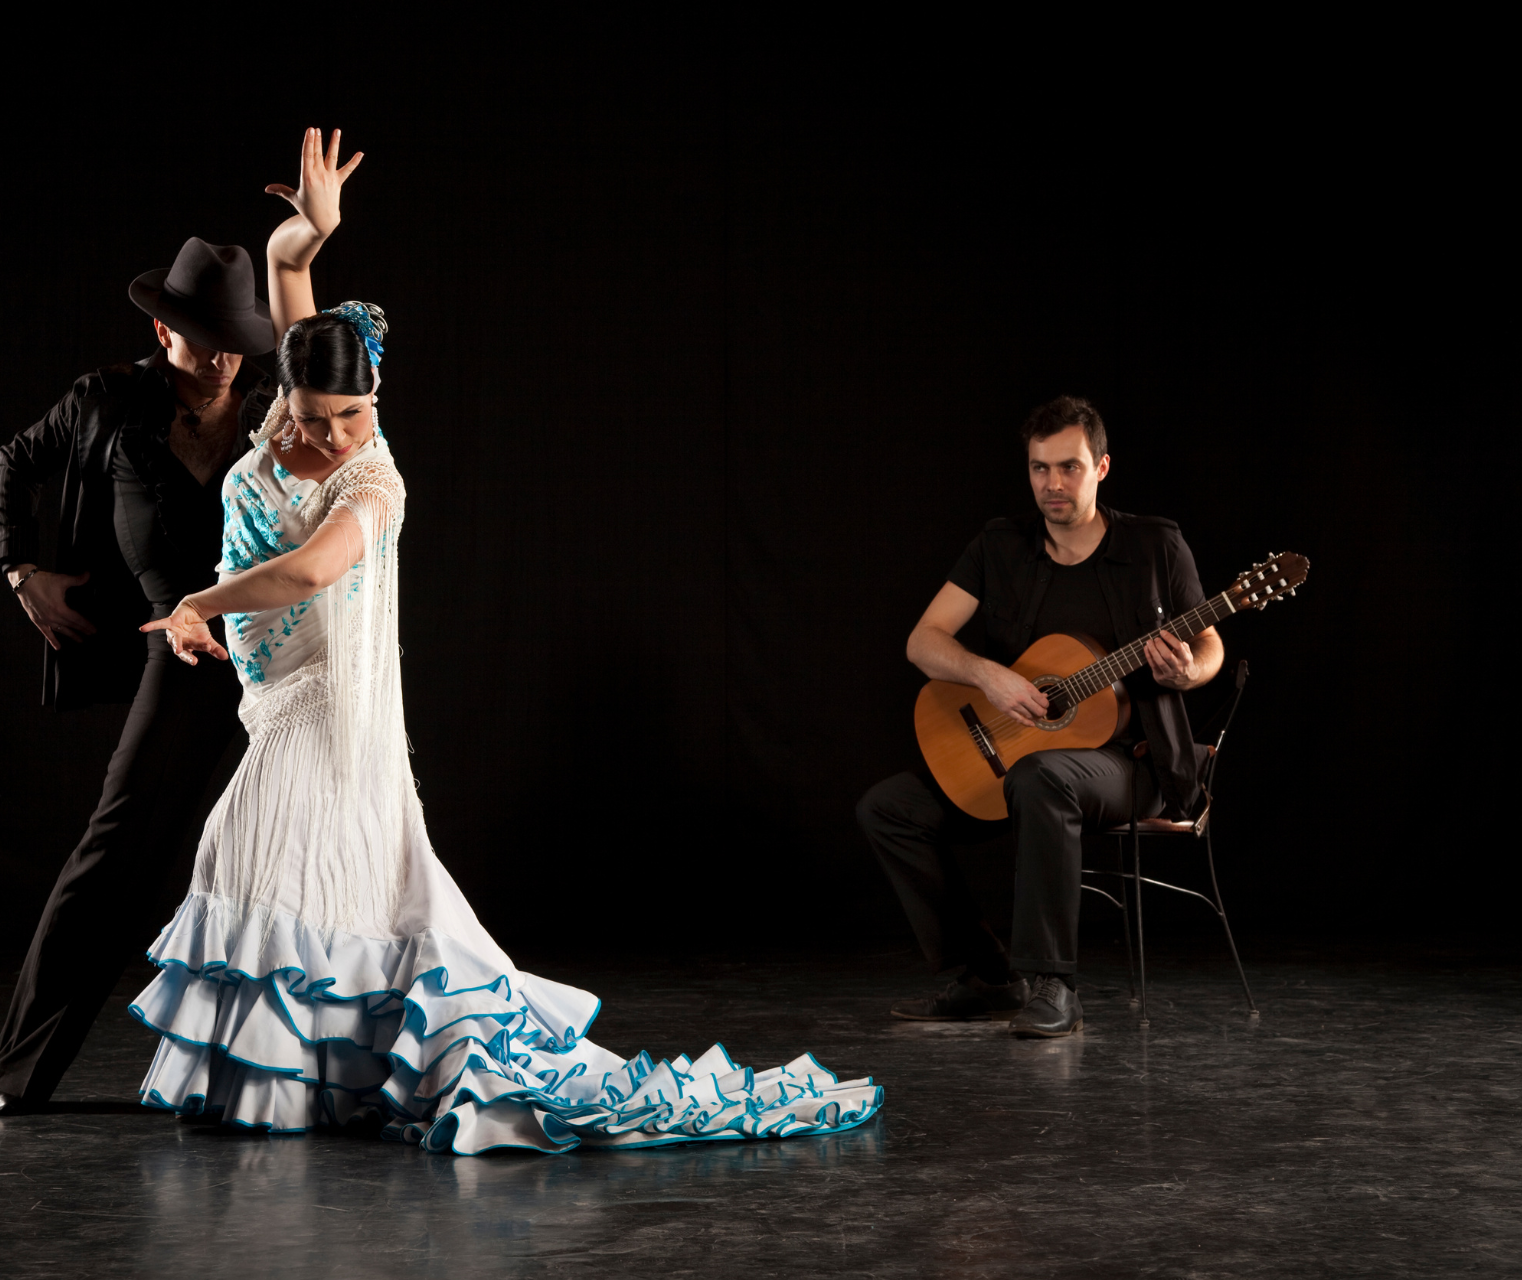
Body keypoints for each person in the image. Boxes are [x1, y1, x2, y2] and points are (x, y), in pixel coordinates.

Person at [128, 128, 883, 1153]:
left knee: (251, 855)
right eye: (315, 414)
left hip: (327, 712)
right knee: (302, 884)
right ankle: (305, 1083)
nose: (334, 433)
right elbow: (288, 268)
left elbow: (307, 573)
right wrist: (308, 229)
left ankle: (288, 1087)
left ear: (375, 403)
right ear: (286, 394)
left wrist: (199, 606)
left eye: (354, 414)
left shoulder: (373, 478)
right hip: (272, 697)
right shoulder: (280, 427)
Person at [0, 236, 279, 1114]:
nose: (224, 358)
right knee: (118, 853)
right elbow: (13, 465)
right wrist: (19, 569)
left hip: (278, 648)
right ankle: (21, 1069)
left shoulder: (268, 410)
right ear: (163, 329)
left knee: (276, 856)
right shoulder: (108, 401)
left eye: (237, 339)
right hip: (179, 653)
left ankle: (290, 1080)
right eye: (205, 339)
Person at [856, 397, 1222, 1038]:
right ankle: (990, 977)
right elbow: (924, 641)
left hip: (1129, 763)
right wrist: (987, 675)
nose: (1053, 484)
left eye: (1070, 468)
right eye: (1039, 469)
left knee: (1043, 776)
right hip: (1015, 750)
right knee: (888, 808)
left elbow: (1211, 646)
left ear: (1102, 467)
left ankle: (1054, 987)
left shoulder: (1156, 545)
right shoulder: (1000, 546)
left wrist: (1187, 672)